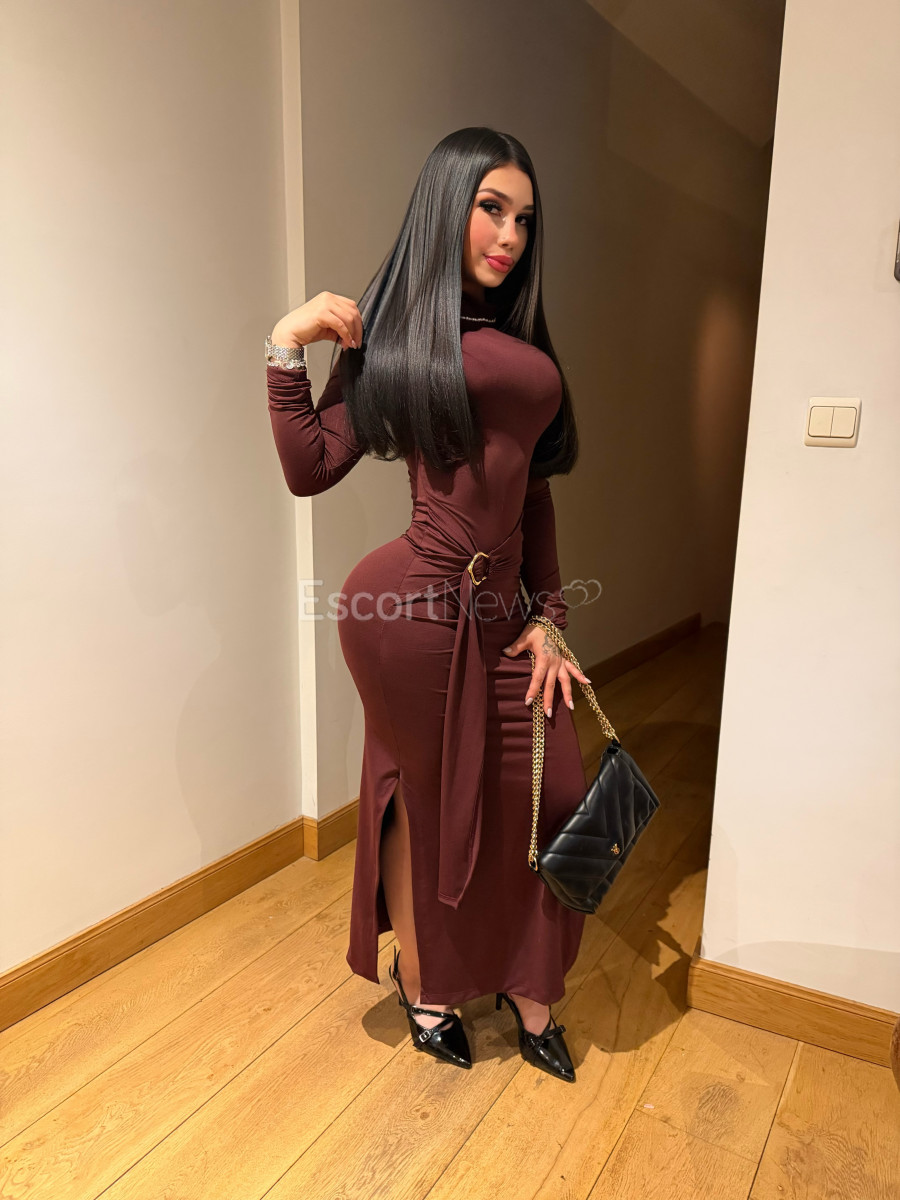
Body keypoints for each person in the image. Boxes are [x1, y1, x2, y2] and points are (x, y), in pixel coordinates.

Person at [265, 127, 592, 1083]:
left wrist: (551, 617)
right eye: (491, 209)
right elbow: (310, 466)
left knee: (553, 789)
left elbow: (532, 493)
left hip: (505, 615)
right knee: (428, 803)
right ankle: (431, 985)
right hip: (405, 611)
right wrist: (286, 344)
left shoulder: (522, 342)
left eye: (524, 218)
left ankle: (532, 988)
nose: (511, 235)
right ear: (449, 206)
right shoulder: (395, 336)